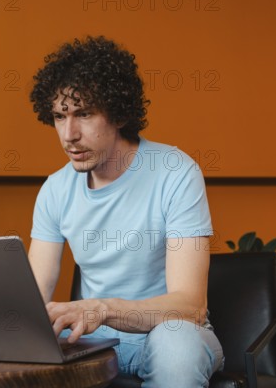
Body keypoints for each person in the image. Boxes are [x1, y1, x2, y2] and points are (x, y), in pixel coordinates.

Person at [27, 36, 224, 387]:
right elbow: (29, 298)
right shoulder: (54, 190)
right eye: (59, 117)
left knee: (176, 346)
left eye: (84, 114)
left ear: (117, 113)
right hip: (93, 343)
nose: (69, 134)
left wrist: (100, 309)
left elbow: (190, 305)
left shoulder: (175, 172)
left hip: (169, 332)